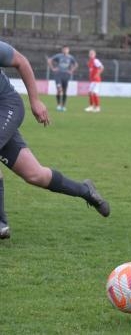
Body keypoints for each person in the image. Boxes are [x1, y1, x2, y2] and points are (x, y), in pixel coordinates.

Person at [0, 41, 109, 240]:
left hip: (7, 107)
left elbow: (21, 61)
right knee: (35, 175)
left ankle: (1, 223)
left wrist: (35, 100)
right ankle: (86, 191)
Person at [47, 45, 78, 111]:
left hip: (66, 75)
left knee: (64, 91)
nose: (65, 50)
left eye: (66, 49)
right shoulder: (58, 56)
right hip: (58, 74)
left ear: (68, 50)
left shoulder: (71, 57)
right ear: (62, 50)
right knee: (59, 89)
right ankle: (58, 105)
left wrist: (71, 71)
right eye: (64, 49)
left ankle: (63, 106)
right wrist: (53, 68)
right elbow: (49, 60)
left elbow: (76, 64)